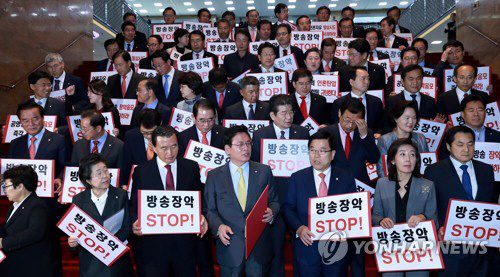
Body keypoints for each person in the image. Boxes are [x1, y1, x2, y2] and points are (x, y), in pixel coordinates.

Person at [130, 126, 208, 277]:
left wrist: (202, 215)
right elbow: (135, 205)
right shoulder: (142, 171)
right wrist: (134, 222)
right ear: (152, 147)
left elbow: (199, 199)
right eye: (164, 148)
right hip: (155, 248)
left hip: (185, 246)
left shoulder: (190, 167)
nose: (170, 153)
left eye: (174, 146)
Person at [204, 125, 279, 276]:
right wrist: (218, 227)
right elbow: (209, 210)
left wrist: (272, 212)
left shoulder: (264, 171)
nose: (246, 148)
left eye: (248, 143)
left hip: (258, 246)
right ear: (227, 149)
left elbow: (275, 201)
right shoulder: (215, 176)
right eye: (240, 144)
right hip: (230, 246)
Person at [424, 126, 498, 277]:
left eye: (470, 144)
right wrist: (437, 227)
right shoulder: (434, 171)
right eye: (460, 144)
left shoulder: (487, 170)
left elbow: (492, 204)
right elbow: (429, 205)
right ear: (448, 146)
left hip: (484, 248)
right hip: (452, 247)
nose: (466, 149)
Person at [282, 130, 357, 276]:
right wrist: (299, 228)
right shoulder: (298, 178)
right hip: (307, 246)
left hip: (336, 248)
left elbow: (353, 211)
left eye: (322, 151)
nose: (316, 156)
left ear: (333, 154)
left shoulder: (346, 178)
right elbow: (288, 208)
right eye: (312, 151)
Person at [251, 94, 309, 277]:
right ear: (272, 116)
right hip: (273, 201)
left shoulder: (302, 133)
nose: (289, 117)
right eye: (283, 113)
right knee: (275, 250)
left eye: (291, 112)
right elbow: (256, 169)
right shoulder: (261, 135)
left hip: (297, 200)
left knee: (301, 249)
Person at [7, 101, 67, 276]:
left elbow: (67, 165)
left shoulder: (58, 140)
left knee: (51, 249)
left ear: (43, 119)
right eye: (25, 121)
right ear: (20, 122)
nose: (31, 124)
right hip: (23, 204)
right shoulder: (16, 143)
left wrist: (60, 179)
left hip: (49, 204)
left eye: (35, 119)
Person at [372, 139, 437, 277]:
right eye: (402, 154)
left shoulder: (427, 185)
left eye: (412, 155)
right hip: (390, 245)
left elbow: (434, 218)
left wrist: (422, 217)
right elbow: (375, 215)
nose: (408, 159)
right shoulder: (382, 184)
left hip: (418, 247)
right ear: (393, 160)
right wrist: (381, 220)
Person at [68, 153, 134, 277]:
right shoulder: (78, 200)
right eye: (99, 173)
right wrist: (73, 242)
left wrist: (107, 245)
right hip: (91, 262)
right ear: (87, 179)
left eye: (106, 171)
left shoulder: (121, 195)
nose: (105, 176)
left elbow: (126, 227)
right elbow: (77, 230)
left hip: (116, 259)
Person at [0, 165, 54, 277]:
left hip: (31, 268)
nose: (4, 189)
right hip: (16, 267)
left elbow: (35, 233)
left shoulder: (37, 205)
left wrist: (3, 243)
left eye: (6, 185)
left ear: (20, 186)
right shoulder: (15, 206)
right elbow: (6, 230)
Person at [324, 97, 380, 184]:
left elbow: (374, 158)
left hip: (359, 184)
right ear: (339, 113)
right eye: (347, 120)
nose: (350, 125)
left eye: (355, 122)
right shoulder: (326, 133)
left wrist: (364, 136)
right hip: (333, 183)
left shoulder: (367, 133)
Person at [438, 94, 500, 159]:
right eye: (471, 110)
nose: (476, 114)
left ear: (485, 112)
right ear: (462, 114)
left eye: (480, 110)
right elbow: (444, 160)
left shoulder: (497, 136)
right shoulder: (452, 135)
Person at [377, 101, 429, 178]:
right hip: (393, 183)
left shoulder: (420, 138)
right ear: (396, 118)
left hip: (418, 183)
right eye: (407, 118)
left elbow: (427, 166)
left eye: (414, 118)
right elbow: (382, 169)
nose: (411, 122)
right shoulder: (385, 140)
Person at [331, 66, 385, 134]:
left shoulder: (376, 102)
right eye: (363, 79)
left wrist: (378, 133)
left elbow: (381, 125)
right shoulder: (339, 102)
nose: (367, 82)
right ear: (351, 82)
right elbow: (335, 125)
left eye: (368, 79)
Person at [120, 109, 162, 187]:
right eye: (144, 133)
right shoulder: (131, 136)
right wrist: (124, 184)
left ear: (160, 124)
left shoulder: (168, 137)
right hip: (139, 182)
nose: (149, 136)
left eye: (152, 132)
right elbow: (126, 163)